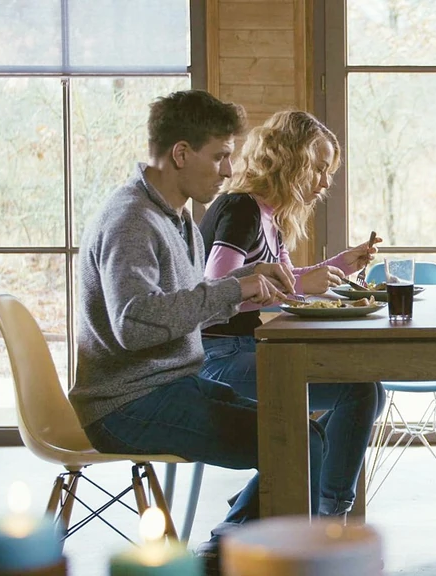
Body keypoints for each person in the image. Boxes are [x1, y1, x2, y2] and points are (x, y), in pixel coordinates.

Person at [69, 90, 322, 575]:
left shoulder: (175, 214)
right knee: (295, 443)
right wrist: (235, 288)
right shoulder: (132, 221)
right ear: (181, 153)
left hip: (170, 384)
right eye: (221, 156)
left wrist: (244, 281)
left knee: (302, 433)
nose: (229, 171)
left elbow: (184, 306)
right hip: (128, 403)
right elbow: (135, 324)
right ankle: (233, 559)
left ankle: (227, 551)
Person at [198, 109, 385, 519]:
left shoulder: (271, 217)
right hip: (218, 357)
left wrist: (339, 264)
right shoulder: (241, 210)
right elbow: (214, 294)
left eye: (327, 172)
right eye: (317, 169)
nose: (323, 182)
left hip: (246, 348)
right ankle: (326, 513)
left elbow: (283, 279)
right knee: (358, 391)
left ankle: (285, 505)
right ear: (289, 160)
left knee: (366, 389)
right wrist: (301, 285)